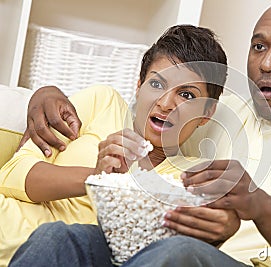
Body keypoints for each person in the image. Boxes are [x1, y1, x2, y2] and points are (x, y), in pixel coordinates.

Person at [11, 1, 271, 267]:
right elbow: (150, 99)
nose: (267, 63)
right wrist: (45, 93)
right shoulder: (219, 113)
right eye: (259, 46)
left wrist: (260, 207)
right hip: (163, 251)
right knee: (60, 239)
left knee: (176, 254)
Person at [0, 25, 240, 267]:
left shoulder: (189, 179)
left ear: (207, 113)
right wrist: (96, 177)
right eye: (156, 84)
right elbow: (10, 175)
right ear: (138, 86)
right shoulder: (103, 102)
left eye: (186, 95)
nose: (166, 103)